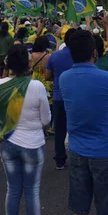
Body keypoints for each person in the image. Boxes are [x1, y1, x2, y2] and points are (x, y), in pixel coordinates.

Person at [59, 30, 108, 215]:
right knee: (106, 208)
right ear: (94, 53)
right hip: (104, 151)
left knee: (80, 206)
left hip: (77, 149)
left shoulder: (64, 78)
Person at [0, 44, 51, 215]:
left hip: (7, 144)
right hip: (33, 144)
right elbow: (46, 120)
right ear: (27, 64)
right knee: (32, 191)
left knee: (13, 189)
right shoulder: (36, 86)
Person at [45, 28, 75, 170]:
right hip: (76, 97)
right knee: (77, 128)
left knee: (60, 130)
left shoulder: (55, 56)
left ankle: (60, 160)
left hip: (58, 97)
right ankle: (77, 157)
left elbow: (47, 76)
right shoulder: (79, 56)